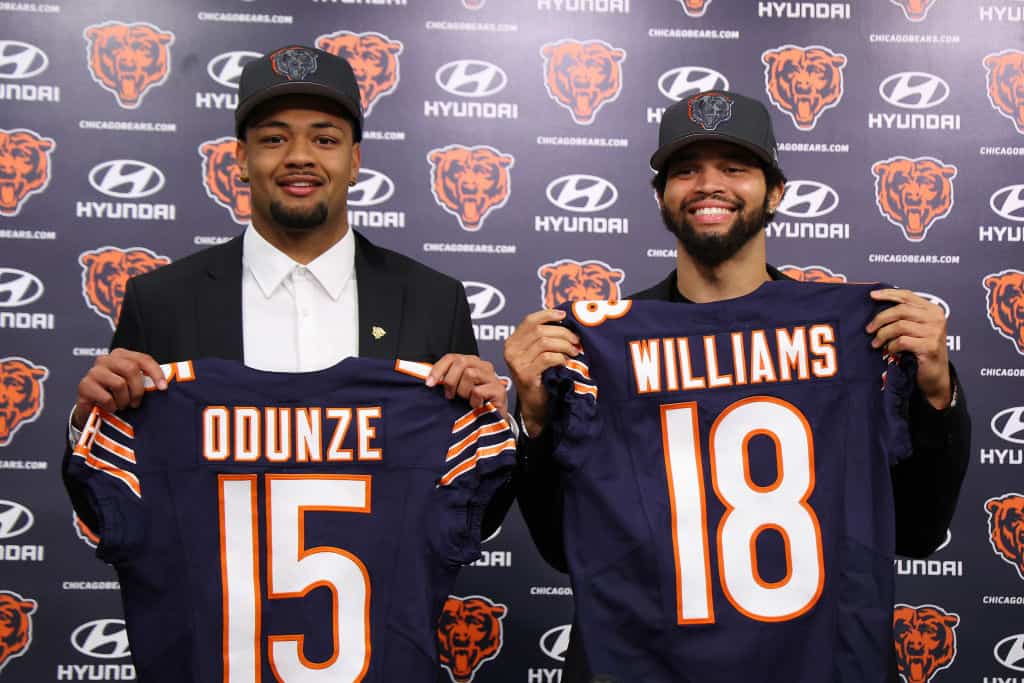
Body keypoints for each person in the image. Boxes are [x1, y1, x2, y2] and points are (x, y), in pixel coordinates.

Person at [504, 90, 970, 682]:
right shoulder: (595, 351)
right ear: (662, 197)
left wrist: (934, 390)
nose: (708, 185)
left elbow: (920, 531)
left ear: (775, 191)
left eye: (734, 168)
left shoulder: (862, 333)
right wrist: (537, 419)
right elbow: (562, 549)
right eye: (686, 170)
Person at [63, 45, 508, 530]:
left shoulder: (433, 301)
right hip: (212, 605)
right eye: (274, 139)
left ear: (355, 160)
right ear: (239, 158)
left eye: (325, 140)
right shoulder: (161, 301)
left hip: (383, 605)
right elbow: (112, 513)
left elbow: (472, 517)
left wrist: (494, 429)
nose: (299, 157)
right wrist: (89, 426)